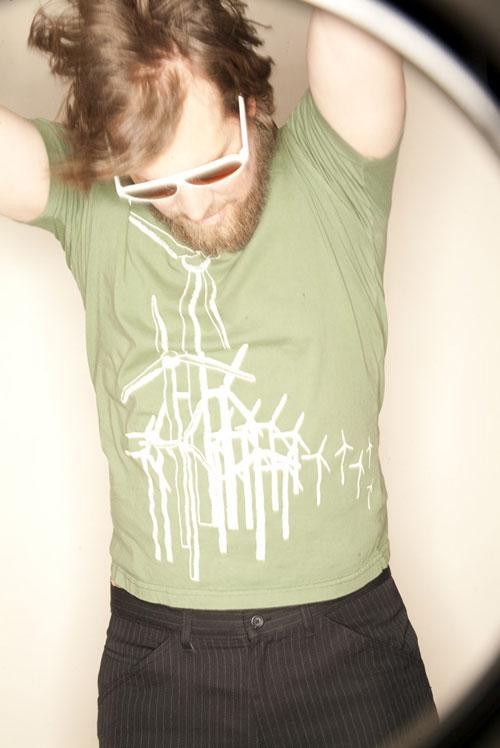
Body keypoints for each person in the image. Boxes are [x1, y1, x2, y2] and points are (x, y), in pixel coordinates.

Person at [0, 1, 439, 745]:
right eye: (155, 184)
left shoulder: (338, 165)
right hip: (162, 660)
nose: (193, 205)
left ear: (253, 102)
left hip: (350, 642)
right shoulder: (92, 196)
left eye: (213, 167)